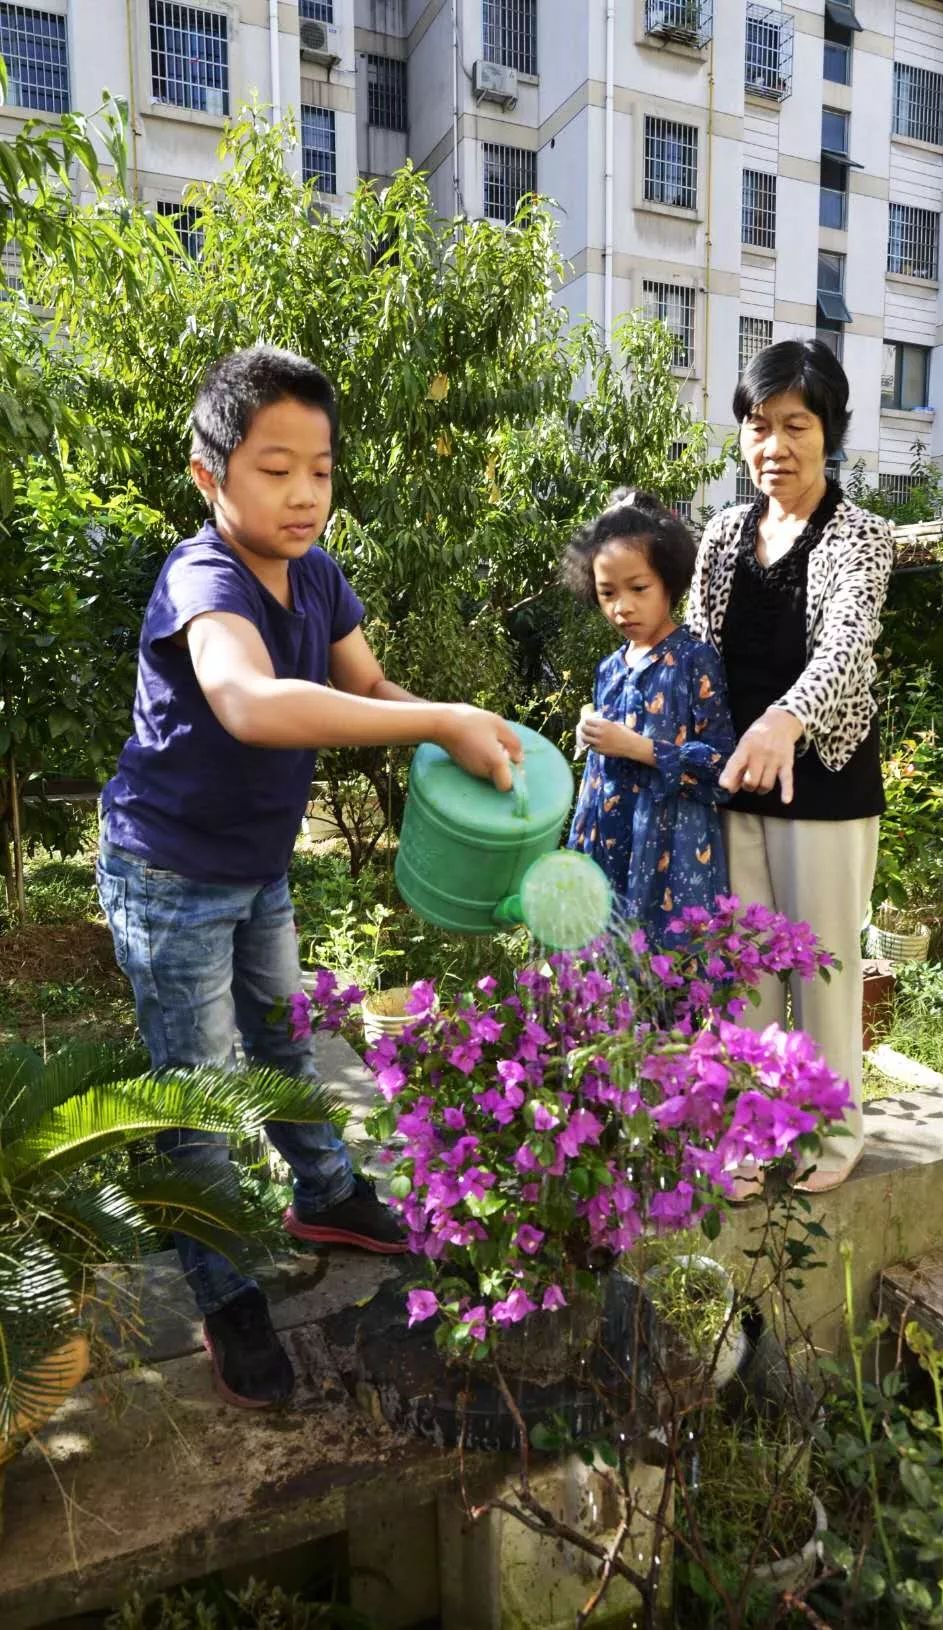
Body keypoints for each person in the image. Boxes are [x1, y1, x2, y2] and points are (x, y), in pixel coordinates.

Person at [97, 345, 522, 1408]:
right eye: (273, 467)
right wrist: (437, 719)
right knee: (195, 1088)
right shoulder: (204, 577)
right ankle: (224, 1287)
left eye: (321, 470)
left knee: (288, 1035)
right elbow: (248, 700)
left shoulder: (322, 577)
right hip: (168, 871)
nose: (302, 494)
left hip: (257, 866)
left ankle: (325, 1194)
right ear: (211, 477)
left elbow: (366, 682)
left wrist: (468, 745)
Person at [687, 339, 893, 1192]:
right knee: (747, 978)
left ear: (830, 431)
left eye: (794, 425)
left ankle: (830, 1137)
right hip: (736, 785)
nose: (774, 445)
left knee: (824, 973)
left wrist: (786, 720)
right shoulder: (724, 531)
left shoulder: (862, 537)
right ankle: (748, 1134)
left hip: (829, 789)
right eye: (757, 424)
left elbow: (846, 647)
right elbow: (696, 648)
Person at [563, 488, 735, 948]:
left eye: (639, 589)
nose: (622, 606)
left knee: (671, 983)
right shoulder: (609, 668)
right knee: (604, 977)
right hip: (608, 838)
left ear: (669, 581)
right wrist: (589, 733)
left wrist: (638, 748)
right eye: (607, 593)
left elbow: (721, 770)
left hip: (671, 852)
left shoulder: (694, 660)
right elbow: (601, 763)